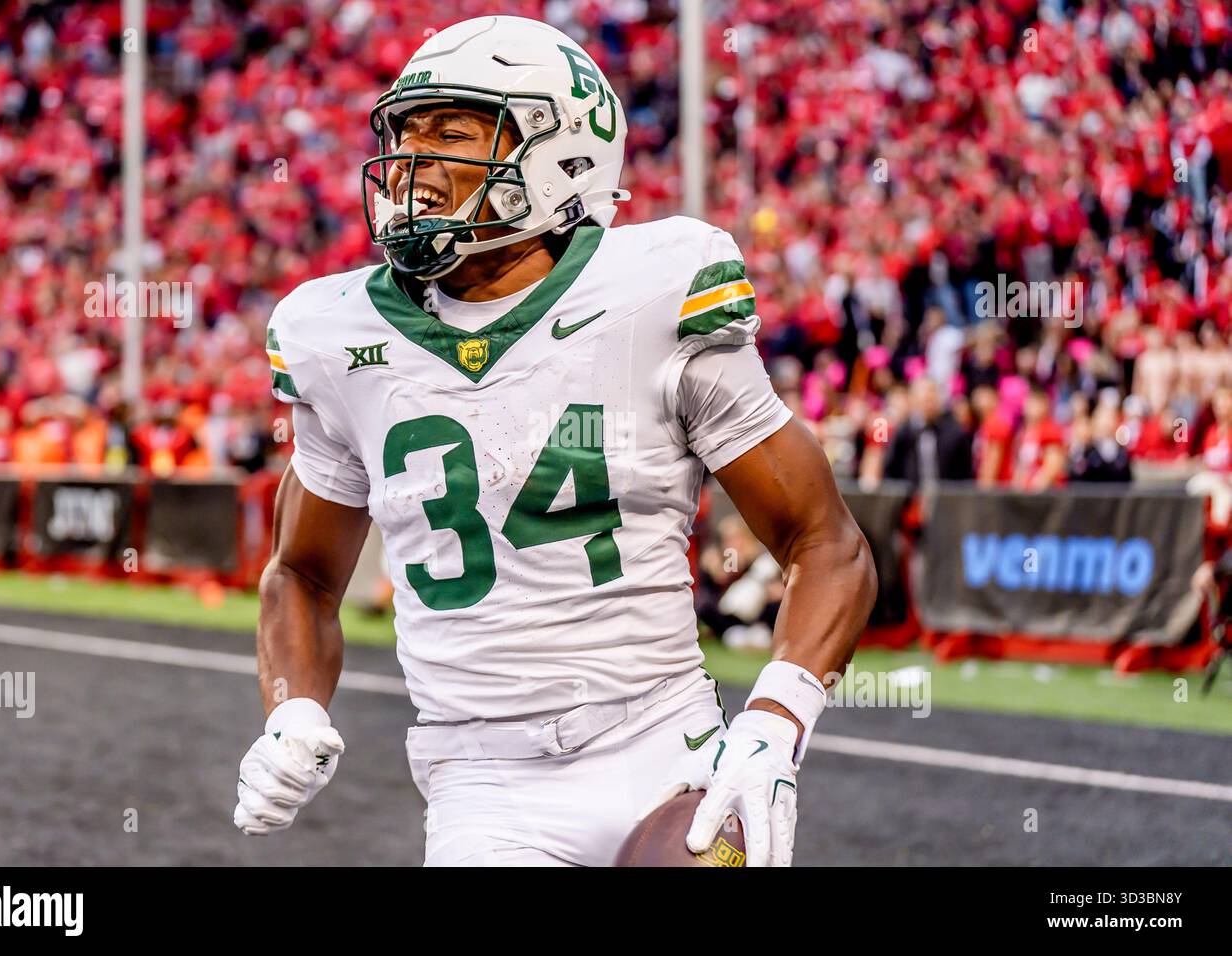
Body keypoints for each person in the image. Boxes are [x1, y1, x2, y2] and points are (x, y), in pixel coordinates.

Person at [231, 16, 875, 867]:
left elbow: (825, 543)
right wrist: (294, 708)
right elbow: (303, 573)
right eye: (404, 136)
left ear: (560, 157)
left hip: (662, 749)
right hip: (482, 786)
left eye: (451, 135)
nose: (411, 169)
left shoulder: (651, 290)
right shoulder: (334, 332)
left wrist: (773, 725)